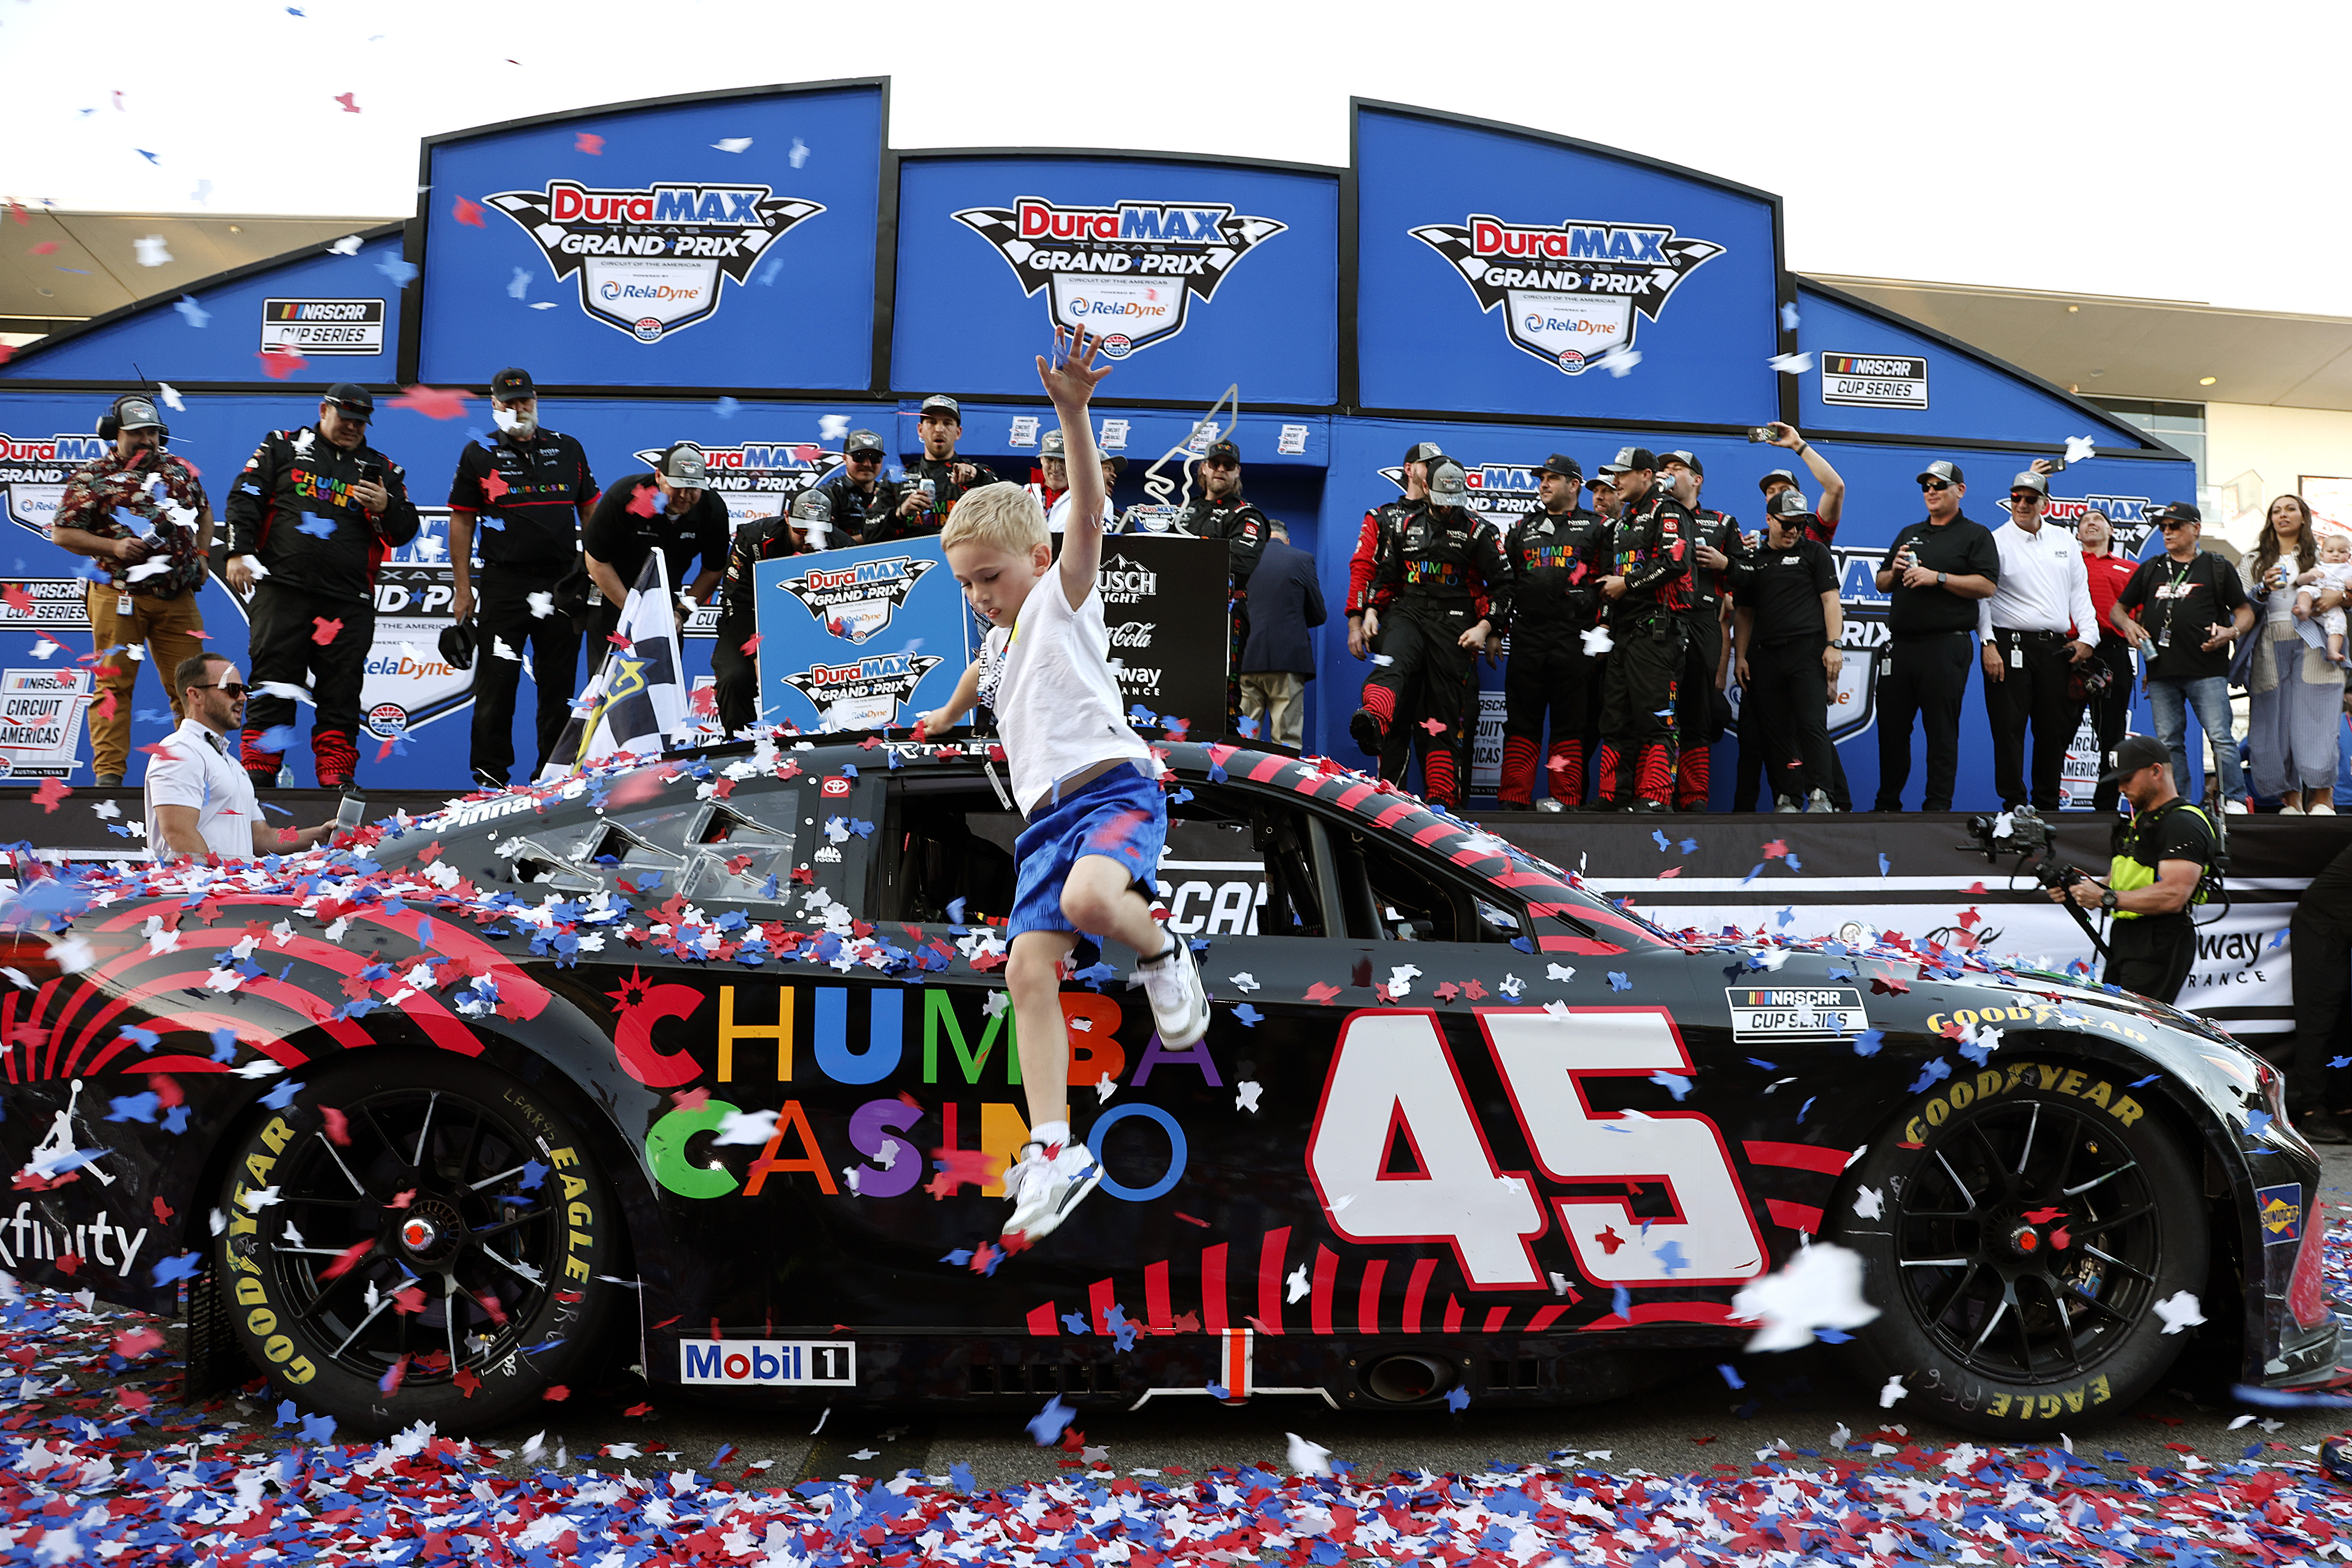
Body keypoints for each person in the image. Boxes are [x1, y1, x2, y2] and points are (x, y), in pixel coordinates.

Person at [917, 326, 1208, 1245]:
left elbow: (1082, 514)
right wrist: (935, 717)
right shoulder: (1000, 642)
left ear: (1034, 560)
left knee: (1092, 900)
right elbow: (982, 677)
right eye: (965, 585)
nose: (980, 596)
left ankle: (1162, 956)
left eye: (989, 577)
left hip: (1111, 790)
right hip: (1045, 821)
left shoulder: (1059, 595)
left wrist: (1073, 414)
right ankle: (1055, 1146)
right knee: (1026, 971)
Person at [225, 383, 421, 793]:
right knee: (274, 679)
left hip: (348, 598)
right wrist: (238, 551)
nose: (351, 427)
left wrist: (386, 507)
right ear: (323, 410)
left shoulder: (383, 468)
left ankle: (336, 773)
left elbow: (405, 531)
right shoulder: (282, 446)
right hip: (283, 587)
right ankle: (259, 771)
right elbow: (245, 497)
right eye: (344, 418)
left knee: (342, 687)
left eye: (360, 422)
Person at [446, 368, 597, 790]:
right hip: (503, 585)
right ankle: (490, 779)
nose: (519, 409)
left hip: (563, 583)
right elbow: (461, 524)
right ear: (494, 406)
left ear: (536, 402)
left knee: (559, 688)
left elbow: (591, 514)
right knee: (496, 686)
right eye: (509, 403)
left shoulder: (568, 448)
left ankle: (553, 778)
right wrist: (463, 589)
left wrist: (595, 572)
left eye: (525, 401)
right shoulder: (478, 453)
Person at [48, 393, 211, 787]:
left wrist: (203, 554)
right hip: (117, 594)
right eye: (137, 433)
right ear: (114, 434)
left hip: (178, 596)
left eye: (152, 432)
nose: (146, 440)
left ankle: (197, 774)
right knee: (113, 686)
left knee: (195, 690)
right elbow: (61, 532)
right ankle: (108, 779)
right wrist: (114, 547)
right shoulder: (92, 476)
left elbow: (204, 511)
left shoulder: (179, 470)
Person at [1349, 461, 1510, 811]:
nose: (1447, 506)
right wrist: (1373, 610)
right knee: (1392, 660)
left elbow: (1504, 586)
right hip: (1408, 611)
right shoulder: (1404, 524)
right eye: (1441, 498)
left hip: (1455, 621)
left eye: (1453, 499)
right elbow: (1386, 576)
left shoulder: (1480, 531)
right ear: (1427, 491)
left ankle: (1442, 805)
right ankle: (1373, 718)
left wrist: (1487, 627)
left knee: (1442, 715)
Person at [1871, 461, 1999, 812]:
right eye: (1926, 486)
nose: (1931, 491)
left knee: (1941, 732)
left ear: (1960, 490)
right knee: (1892, 730)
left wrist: (1938, 577)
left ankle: (1938, 808)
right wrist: (1895, 570)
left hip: (1947, 644)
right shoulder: (1910, 532)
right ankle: (1886, 805)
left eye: (1939, 486)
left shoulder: (1975, 534)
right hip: (1901, 646)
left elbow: (1987, 585)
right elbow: (1881, 584)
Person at [2051, 732, 2215, 1005]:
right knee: (2112, 1025)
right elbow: (2117, 880)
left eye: (2127, 779)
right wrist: (2082, 890)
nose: (2121, 788)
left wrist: (2106, 898)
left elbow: (2174, 895)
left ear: (2156, 771)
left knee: (2134, 1030)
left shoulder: (2184, 822)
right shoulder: (2138, 819)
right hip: (2126, 937)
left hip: (2160, 939)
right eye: (2118, 780)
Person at [2112, 503, 2253, 813]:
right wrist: (2130, 625)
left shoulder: (2217, 566)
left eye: (2175, 526)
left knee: (2220, 737)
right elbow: (2117, 610)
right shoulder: (2150, 567)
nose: (2167, 532)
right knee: (2169, 742)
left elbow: (2245, 613)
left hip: (2207, 669)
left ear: (2196, 529)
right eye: (2163, 527)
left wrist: (2229, 633)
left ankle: (2234, 799)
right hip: (2162, 671)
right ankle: (2178, 804)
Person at [1977, 469, 2099, 811]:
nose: (2022, 504)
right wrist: (1988, 643)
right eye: (2017, 497)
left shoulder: (2064, 540)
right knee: (2009, 729)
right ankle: (2014, 803)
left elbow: (2081, 594)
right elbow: (1982, 599)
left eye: (2031, 499)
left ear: (2046, 504)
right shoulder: (1995, 540)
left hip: (2056, 647)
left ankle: (2047, 805)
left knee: (2053, 731)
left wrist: (2089, 636)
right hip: (2008, 643)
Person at [146, 653, 338, 861]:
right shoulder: (178, 751)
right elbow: (179, 833)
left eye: (244, 690)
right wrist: (222, 885)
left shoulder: (232, 764)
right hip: (197, 892)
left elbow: (263, 838)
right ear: (196, 696)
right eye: (232, 690)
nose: (243, 698)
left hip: (228, 890)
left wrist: (321, 834)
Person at [1497, 454, 1605, 810]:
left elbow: (1611, 581)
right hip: (1527, 636)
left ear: (1574, 485)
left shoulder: (1597, 528)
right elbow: (1505, 584)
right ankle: (1514, 799)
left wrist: (1601, 626)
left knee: (1569, 725)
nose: (1544, 484)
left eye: (1553, 478)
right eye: (1541, 478)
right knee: (1521, 722)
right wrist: (1496, 628)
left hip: (1575, 638)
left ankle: (1565, 798)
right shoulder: (1522, 528)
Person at [1592, 447, 1692, 812]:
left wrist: (1628, 584)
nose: (1615, 481)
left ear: (1647, 475)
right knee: (1615, 719)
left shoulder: (1667, 511)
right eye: (1613, 474)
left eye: (1622, 474)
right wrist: (1603, 624)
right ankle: (1612, 796)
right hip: (1623, 633)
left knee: (1656, 719)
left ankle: (1655, 797)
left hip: (1658, 631)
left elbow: (1675, 562)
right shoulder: (1621, 522)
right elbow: (1611, 581)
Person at [1732, 489, 1842, 811]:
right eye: (1786, 524)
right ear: (1769, 521)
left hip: (1807, 651)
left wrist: (1834, 644)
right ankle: (1787, 796)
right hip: (1765, 655)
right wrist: (1740, 656)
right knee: (1777, 731)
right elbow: (1744, 612)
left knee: (1811, 724)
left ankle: (1821, 794)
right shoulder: (1753, 561)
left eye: (1799, 524)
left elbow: (1831, 601)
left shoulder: (1816, 553)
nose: (1793, 530)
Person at [1345, 442, 1445, 786]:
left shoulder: (1454, 515)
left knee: (1441, 720)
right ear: (1410, 470)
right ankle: (1387, 810)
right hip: (1394, 623)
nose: (1433, 469)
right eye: (1427, 463)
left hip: (1445, 628)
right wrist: (1357, 621)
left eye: (1439, 464)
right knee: (1397, 717)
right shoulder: (1383, 516)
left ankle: (1448, 820)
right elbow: (1362, 569)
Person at [2240, 495, 2346, 814]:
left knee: (2319, 717)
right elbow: (2240, 603)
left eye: (2290, 509)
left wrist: (2339, 595)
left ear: (2304, 517)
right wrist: (2262, 589)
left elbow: (2347, 582)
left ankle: (2323, 799)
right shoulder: (2253, 558)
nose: (2283, 515)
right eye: (2276, 510)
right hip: (2268, 641)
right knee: (2271, 721)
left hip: (2315, 638)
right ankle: (2291, 800)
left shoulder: (2323, 552)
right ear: (2270, 518)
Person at [581, 444, 729, 649]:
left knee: (663, 678)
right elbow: (596, 561)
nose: (685, 496)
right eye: (677, 486)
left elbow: (714, 570)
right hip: (613, 592)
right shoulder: (624, 496)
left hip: (664, 602)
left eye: (694, 488)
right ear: (659, 476)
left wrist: (681, 612)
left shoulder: (712, 509)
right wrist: (634, 613)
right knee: (609, 676)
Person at [1660, 451, 1742, 812]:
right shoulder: (1653, 517)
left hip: (1703, 621)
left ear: (1697, 480)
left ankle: (1693, 798)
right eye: (1665, 469)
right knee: (1656, 711)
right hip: (1660, 623)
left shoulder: (1721, 522)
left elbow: (1745, 579)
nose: (1669, 474)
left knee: (1698, 711)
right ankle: (1654, 793)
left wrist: (1726, 564)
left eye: (1677, 469)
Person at [1174, 439, 1272, 735]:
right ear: (1203, 468)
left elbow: (1242, 563)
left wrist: (1189, 555)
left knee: (1220, 694)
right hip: (1177, 611)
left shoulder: (1246, 514)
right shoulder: (1183, 510)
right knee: (1175, 687)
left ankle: (1223, 758)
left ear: (1237, 472)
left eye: (1227, 466)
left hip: (1224, 614)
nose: (1220, 470)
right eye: (1214, 464)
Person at [712, 487, 825, 737]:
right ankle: (739, 745)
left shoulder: (841, 546)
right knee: (733, 678)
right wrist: (757, 655)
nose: (807, 541)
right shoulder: (753, 539)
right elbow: (735, 601)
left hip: (810, 629)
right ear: (787, 517)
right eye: (800, 532)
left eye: (815, 533)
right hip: (750, 623)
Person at [2285, 833, 2352, 1143]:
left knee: (2345, 1023)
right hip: (2320, 927)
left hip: (2342, 929)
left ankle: (2343, 1107)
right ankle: (2313, 1112)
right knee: (2319, 1020)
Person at [1235, 518, 1324, 748]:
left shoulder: (1243, 561)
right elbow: (1319, 614)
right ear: (1287, 541)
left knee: (1242, 738)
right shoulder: (1302, 559)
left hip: (1246, 657)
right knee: (1287, 740)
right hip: (1288, 660)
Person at [865, 396, 997, 545]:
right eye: (932, 423)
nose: (939, 429)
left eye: (947, 423)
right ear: (920, 430)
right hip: (911, 561)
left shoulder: (973, 473)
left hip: (962, 560)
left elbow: (1002, 507)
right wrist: (901, 512)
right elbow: (869, 531)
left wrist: (975, 476)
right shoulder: (897, 477)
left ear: (958, 433)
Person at [2078, 510, 2141, 812]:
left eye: (2098, 520)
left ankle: (2104, 809)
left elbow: (2142, 619)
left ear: (2112, 530)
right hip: (2071, 651)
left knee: (2112, 736)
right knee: (2056, 730)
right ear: (2077, 534)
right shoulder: (2067, 562)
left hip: (2113, 651)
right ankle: (2046, 803)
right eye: (2084, 521)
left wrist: (2152, 663)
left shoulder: (2130, 569)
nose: (2091, 523)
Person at [1754, 423, 1848, 542]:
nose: (1778, 495)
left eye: (1785, 490)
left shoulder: (1813, 529)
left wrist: (1798, 445)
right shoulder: (1762, 544)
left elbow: (1836, 488)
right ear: (1767, 501)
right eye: (1771, 492)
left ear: (1800, 497)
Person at [813, 429, 892, 547]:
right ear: (845, 459)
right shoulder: (830, 493)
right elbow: (826, 542)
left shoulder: (888, 492)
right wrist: (873, 537)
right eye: (859, 457)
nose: (867, 464)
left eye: (875, 457)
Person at [2300, 530, 2352, 667]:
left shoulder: (2349, 570)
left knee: (2339, 624)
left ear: (2349, 556)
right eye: (2331, 551)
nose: (2336, 555)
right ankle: (2303, 609)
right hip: (2317, 591)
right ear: (2322, 555)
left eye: (2342, 552)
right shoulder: (2319, 567)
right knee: (2305, 591)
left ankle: (2333, 650)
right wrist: (2310, 576)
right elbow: (2300, 581)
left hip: (2336, 604)